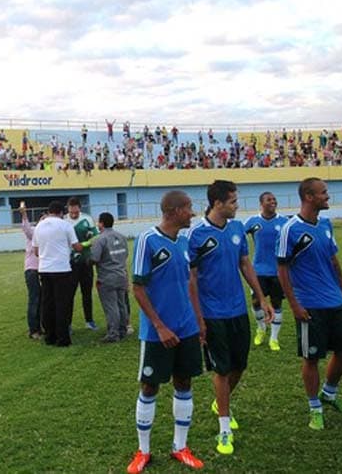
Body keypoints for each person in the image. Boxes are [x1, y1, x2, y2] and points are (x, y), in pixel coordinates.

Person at [188, 180, 273, 455]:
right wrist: (198, 317)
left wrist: (261, 297)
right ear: (217, 203)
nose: (237, 206)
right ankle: (224, 429)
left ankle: (219, 402)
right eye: (233, 201)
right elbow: (191, 278)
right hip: (213, 314)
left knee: (239, 365)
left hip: (238, 310)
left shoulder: (237, 228)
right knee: (221, 370)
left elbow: (244, 264)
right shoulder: (196, 234)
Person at [127, 190, 205, 473]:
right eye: (188, 208)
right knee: (150, 387)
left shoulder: (184, 241)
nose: (192, 213)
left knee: (184, 383)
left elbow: (188, 283)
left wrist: (198, 321)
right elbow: (137, 288)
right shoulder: (147, 240)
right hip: (157, 332)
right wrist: (159, 326)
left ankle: (180, 447)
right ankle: (143, 451)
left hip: (186, 328)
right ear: (172, 211)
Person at [277, 178, 342, 431]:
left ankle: (329, 393)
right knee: (312, 358)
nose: (328, 197)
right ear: (309, 197)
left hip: (335, 301)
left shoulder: (325, 225)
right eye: (324, 193)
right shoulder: (291, 229)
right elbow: (282, 269)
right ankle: (314, 407)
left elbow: (334, 261)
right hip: (310, 305)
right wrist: (294, 305)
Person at [32, 201, 83, 347]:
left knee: (47, 303)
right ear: (61, 213)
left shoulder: (39, 226)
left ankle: (50, 336)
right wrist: (88, 243)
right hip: (61, 269)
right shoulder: (65, 225)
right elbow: (76, 246)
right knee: (62, 304)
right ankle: (63, 338)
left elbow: (36, 251)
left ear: (49, 211)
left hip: (44, 269)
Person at [243, 191, 289, 351]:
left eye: (274, 199)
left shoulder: (284, 222)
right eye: (269, 200)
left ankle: (274, 338)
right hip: (258, 271)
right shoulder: (253, 222)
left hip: (278, 272)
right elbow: (240, 237)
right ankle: (261, 329)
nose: (273, 202)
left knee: (277, 303)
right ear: (261, 203)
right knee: (256, 303)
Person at [89, 212, 129, 343]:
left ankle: (113, 333)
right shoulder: (122, 237)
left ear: (101, 223)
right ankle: (123, 330)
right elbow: (125, 255)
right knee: (121, 304)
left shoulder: (100, 239)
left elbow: (94, 258)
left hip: (107, 277)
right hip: (121, 275)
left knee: (111, 307)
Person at [64, 197, 99, 330]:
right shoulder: (64, 221)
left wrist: (83, 245)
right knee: (69, 294)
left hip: (86, 261)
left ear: (79, 208)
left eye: (76, 212)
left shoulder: (87, 219)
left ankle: (89, 321)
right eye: (71, 212)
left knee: (87, 293)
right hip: (69, 262)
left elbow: (95, 237)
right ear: (68, 209)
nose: (73, 214)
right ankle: (68, 324)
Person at [19, 202, 42, 339]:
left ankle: (41, 327)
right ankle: (34, 330)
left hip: (44, 270)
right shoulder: (33, 231)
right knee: (35, 298)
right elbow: (26, 228)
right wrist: (24, 214)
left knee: (42, 299)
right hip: (32, 270)